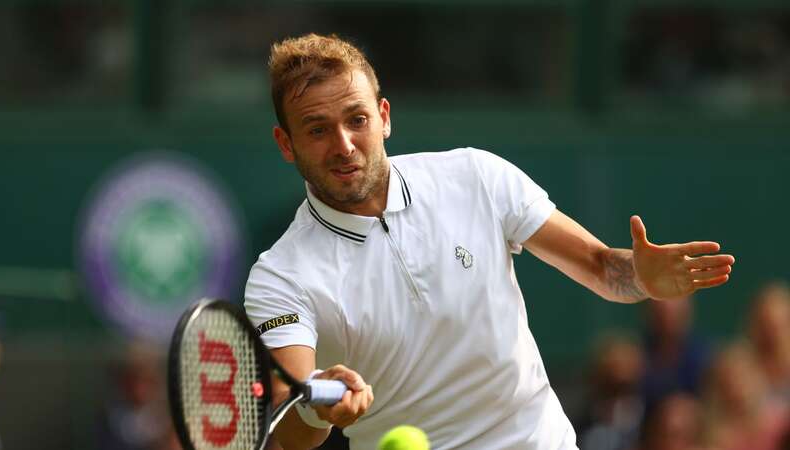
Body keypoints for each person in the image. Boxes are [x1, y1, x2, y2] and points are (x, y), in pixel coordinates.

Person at [243, 33, 735, 450]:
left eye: (357, 119)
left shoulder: (474, 176)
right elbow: (290, 423)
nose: (344, 144)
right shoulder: (281, 275)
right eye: (317, 129)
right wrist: (321, 409)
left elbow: (602, 267)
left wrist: (639, 276)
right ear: (286, 145)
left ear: (384, 116)